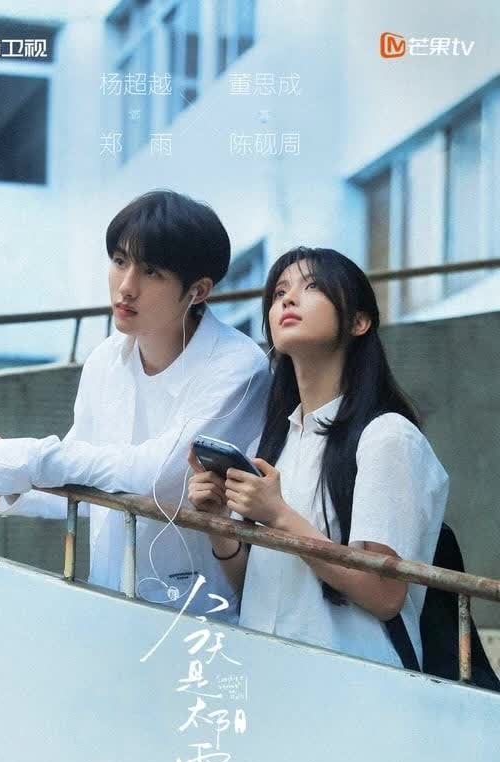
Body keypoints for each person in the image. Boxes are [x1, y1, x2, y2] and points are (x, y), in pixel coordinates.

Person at [0, 190, 271, 623]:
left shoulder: (238, 366)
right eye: (120, 261)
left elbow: (158, 475)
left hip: (198, 617)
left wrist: (23, 457)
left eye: (151, 272)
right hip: (107, 601)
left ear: (198, 290)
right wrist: (4, 484)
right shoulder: (105, 359)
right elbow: (84, 481)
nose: (126, 286)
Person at [188, 246, 449, 667]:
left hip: (357, 681)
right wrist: (219, 524)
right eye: (279, 292)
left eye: (312, 287)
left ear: (359, 321)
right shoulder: (278, 440)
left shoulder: (387, 437)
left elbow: (384, 593)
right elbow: (255, 588)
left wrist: (279, 516)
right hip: (267, 672)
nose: (288, 300)